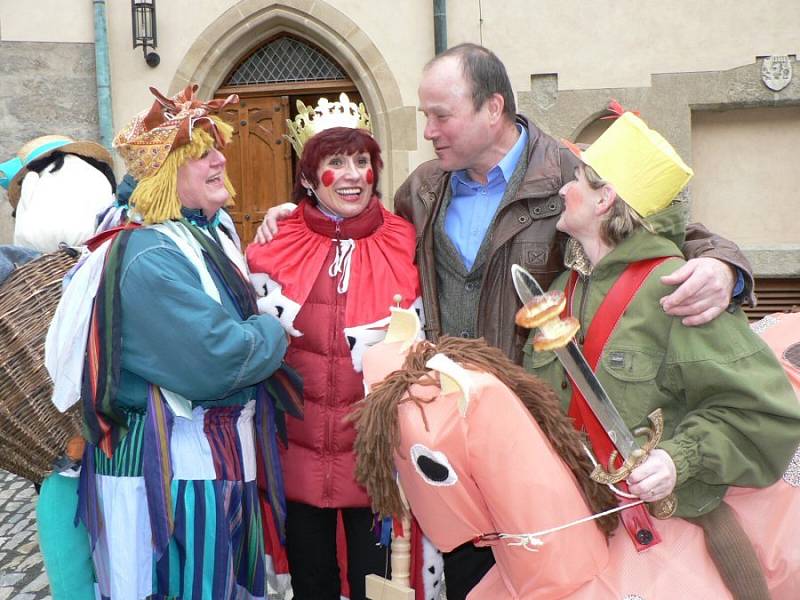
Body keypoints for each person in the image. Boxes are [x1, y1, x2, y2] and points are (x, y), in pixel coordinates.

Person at [257, 43, 754, 598]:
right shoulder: (422, 189)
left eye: (441, 115)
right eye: (426, 116)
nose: (429, 131)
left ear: (492, 108)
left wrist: (722, 264)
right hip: (454, 449)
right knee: (472, 583)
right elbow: (368, 237)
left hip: (544, 450)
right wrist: (298, 215)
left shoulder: (569, 174)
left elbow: (663, 227)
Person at [524, 110, 800, 599]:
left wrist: (678, 459)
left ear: (605, 198)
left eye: (575, 182)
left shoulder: (678, 287)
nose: (563, 190)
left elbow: (765, 412)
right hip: (572, 532)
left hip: (670, 537)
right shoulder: (561, 289)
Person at [47, 84, 292, 600]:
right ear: (164, 176)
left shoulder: (201, 235)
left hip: (209, 464)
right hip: (170, 475)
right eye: (202, 153)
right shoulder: (149, 256)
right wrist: (272, 327)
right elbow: (220, 359)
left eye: (216, 146)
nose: (221, 158)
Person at [246, 96, 422, 600]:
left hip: (375, 464)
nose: (352, 175)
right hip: (296, 459)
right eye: (335, 162)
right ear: (307, 177)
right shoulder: (272, 243)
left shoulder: (405, 240)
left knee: (376, 586)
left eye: (362, 161)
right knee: (313, 585)